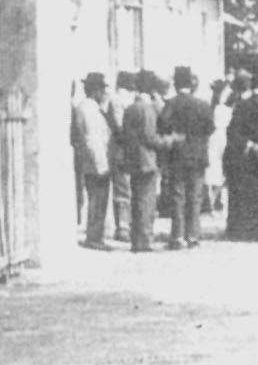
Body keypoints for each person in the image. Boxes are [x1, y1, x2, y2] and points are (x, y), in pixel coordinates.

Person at [119, 69, 183, 252]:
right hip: (146, 160)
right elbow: (150, 138)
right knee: (147, 201)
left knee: (136, 200)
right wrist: (170, 140)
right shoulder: (146, 109)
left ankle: (136, 239)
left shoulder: (131, 108)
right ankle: (144, 239)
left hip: (132, 158)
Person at [158, 66, 215, 249]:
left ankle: (177, 236)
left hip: (177, 155)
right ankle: (193, 235)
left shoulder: (171, 104)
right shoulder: (203, 105)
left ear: (175, 84)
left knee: (177, 195)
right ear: (191, 84)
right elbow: (210, 128)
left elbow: (162, 127)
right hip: (198, 156)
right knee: (195, 196)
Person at [223, 70, 258, 240]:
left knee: (245, 191)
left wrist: (251, 145)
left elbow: (232, 132)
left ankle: (242, 229)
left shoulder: (243, 105)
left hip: (247, 155)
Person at [72, 72, 115, 250]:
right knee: (97, 200)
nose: (104, 93)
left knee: (99, 199)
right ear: (95, 90)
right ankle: (94, 237)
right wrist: (100, 164)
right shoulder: (87, 109)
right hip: (96, 162)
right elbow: (91, 139)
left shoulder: (91, 108)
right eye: (102, 89)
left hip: (97, 160)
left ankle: (96, 236)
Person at [105, 69, 137, 242]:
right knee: (124, 188)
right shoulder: (119, 100)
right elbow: (119, 126)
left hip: (124, 148)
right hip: (123, 149)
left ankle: (125, 225)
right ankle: (124, 226)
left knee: (124, 188)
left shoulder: (117, 99)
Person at [204, 78, 232, 214]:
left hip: (212, 139)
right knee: (220, 170)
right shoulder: (224, 109)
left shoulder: (210, 107)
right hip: (222, 138)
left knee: (212, 169)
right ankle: (213, 200)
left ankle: (211, 200)